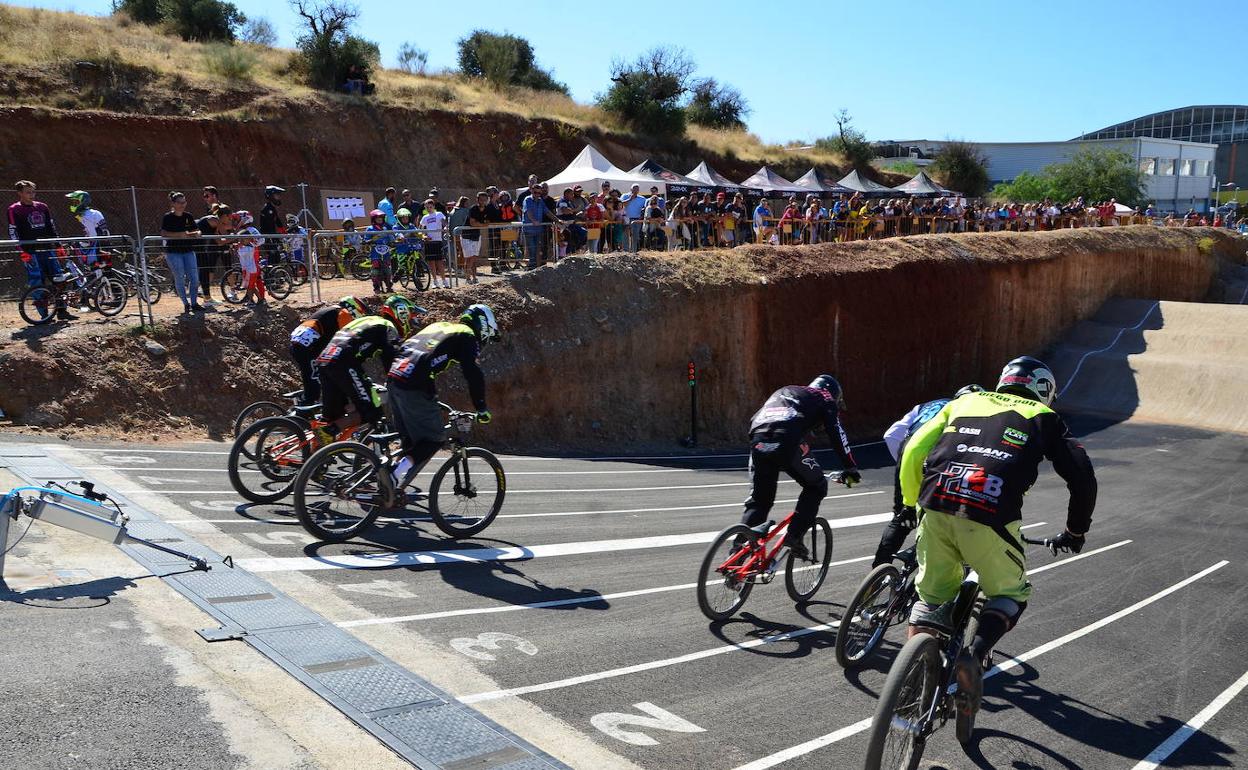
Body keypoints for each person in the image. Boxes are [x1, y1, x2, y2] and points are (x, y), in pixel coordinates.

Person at [899, 356, 1096, 713]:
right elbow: (1082, 475)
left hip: (935, 503)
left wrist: (914, 503)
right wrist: (1074, 531)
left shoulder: (964, 402)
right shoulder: (1044, 418)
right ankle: (973, 657)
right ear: (1044, 391)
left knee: (930, 598)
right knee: (1011, 593)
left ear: (1004, 379)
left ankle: (911, 682)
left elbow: (913, 450)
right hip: (989, 514)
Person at [741, 375, 862, 559]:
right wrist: (850, 467)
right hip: (786, 438)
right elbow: (836, 432)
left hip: (758, 438)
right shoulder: (825, 397)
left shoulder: (787, 389)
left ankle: (737, 554)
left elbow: (753, 419)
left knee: (760, 501)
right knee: (817, 485)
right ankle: (794, 537)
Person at [386, 303, 499, 489]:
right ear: (484, 327)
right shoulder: (467, 335)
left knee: (411, 443)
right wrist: (481, 407)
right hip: (416, 382)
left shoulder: (440, 326)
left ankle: (391, 486)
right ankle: (393, 474)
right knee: (434, 439)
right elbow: (473, 373)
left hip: (394, 376)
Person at [872, 384, 983, 568]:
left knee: (902, 518)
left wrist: (907, 464)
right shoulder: (972, 414)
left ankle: (879, 571)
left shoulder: (927, 405)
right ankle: (923, 562)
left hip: (908, 453)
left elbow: (891, 435)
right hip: (939, 462)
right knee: (943, 518)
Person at [315, 295, 417, 440]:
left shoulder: (369, 321)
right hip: (343, 363)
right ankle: (328, 432)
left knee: (333, 415)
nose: (411, 322)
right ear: (401, 314)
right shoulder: (388, 328)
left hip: (325, 359)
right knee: (371, 411)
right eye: (411, 318)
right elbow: (393, 362)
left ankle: (314, 453)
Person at [289, 296, 369, 405]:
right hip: (306, 347)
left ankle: (308, 401)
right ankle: (305, 406)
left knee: (322, 374)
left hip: (303, 345)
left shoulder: (333, 311)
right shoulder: (343, 313)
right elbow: (346, 339)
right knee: (314, 381)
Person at [160, 191, 203, 314]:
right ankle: (186, 303)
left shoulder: (188, 216)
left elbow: (196, 230)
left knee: (194, 279)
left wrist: (197, 233)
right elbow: (164, 233)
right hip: (173, 252)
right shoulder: (167, 217)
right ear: (173, 204)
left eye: (184, 202)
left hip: (188, 251)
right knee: (179, 277)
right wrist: (179, 235)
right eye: (179, 202)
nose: (182, 205)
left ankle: (194, 303)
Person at [64, 190, 111, 266]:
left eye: (76, 202)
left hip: (97, 246)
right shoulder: (81, 216)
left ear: (83, 202)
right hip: (89, 245)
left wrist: (105, 246)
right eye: (73, 202)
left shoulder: (94, 214)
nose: (73, 204)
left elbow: (104, 231)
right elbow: (87, 233)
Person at [232, 210, 266, 306]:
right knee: (250, 282)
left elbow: (261, 239)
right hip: (247, 260)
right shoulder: (241, 231)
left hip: (253, 256)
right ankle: (256, 298)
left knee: (256, 278)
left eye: (237, 219)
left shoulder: (251, 229)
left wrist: (252, 242)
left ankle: (260, 298)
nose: (236, 221)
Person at [363, 209, 395, 293]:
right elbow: (366, 239)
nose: (380, 219)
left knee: (387, 271)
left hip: (386, 253)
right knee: (375, 271)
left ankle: (389, 286)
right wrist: (370, 241)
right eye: (377, 218)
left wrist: (392, 242)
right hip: (375, 253)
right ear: (374, 219)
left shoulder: (386, 228)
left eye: (381, 218)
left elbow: (391, 237)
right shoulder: (370, 229)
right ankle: (376, 287)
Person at [419, 198, 449, 287]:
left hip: (438, 241)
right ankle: (435, 281)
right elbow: (420, 229)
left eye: (430, 207)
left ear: (433, 206)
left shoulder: (439, 214)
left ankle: (444, 281)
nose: (429, 209)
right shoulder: (425, 217)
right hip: (429, 242)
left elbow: (445, 224)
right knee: (431, 263)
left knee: (439, 262)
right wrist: (424, 236)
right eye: (427, 207)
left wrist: (445, 228)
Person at [462, 192, 489, 284]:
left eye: (485, 200)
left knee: (474, 258)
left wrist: (482, 224)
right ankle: (467, 278)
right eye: (481, 199)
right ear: (477, 200)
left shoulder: (486, 209)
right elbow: (473, 223)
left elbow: (488, 221)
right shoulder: (473, 209)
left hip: (476, 235)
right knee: (469, 257)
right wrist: (483, 225)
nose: (483, 201)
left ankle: (474, 277)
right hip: (466, 236)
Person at [621, 184, 647, 253]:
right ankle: (625, 251)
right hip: (626, 218)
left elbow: (645, 208)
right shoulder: (625, 196)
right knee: (625, 235)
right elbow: (621, 205)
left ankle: (634, 251)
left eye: (637, 189)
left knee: (635, 236)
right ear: (631, 189)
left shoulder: (642, 199)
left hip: (636, 219)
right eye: (634, 189)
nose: (635, 190)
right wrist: (630, 199)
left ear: (638, 190)